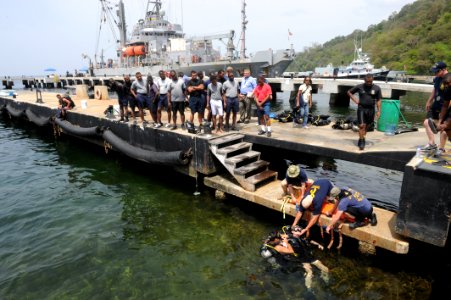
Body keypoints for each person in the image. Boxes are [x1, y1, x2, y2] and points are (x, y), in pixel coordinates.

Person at [347, 74, 382, 150]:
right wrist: (355, 100)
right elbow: (349, 92)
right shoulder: (360, 86)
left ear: (372, 80)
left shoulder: (377, 88)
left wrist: (379, 111)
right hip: (361, 108)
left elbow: (379, 100)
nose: (369, 83)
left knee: (367, 126)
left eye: (370, 81)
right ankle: (361, 141)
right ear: (364, 80)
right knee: (362, 125)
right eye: (367, 81)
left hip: (371, 109)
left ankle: (362, 137)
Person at [421, 62, 448, 155]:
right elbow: (434, 90)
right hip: (436, 104)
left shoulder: (448, 79)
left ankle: (441, 148)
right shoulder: (437, 79)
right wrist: (429, 101)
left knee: (443, 127)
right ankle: (432, 143)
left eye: (437, 71)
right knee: (426, 122)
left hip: (445, 106)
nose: (435, 73)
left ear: (443, 69)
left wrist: (446, 110)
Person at [436, 73, 451, 143]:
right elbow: (445, 106)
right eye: (445, 84)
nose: (447, 85)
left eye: (448, 83)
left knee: (447, 125)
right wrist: (440, 121)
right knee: (445, 128)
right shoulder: (448, 89)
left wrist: (446, 124)